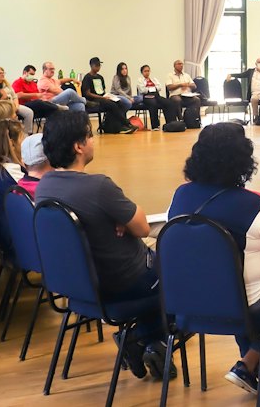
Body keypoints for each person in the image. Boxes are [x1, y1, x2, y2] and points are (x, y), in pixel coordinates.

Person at [168, 122, 260, 395]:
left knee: (237, 287)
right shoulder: (253, 205)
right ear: (244, 159)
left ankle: (257, 367)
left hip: (185, 306)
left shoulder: (181, 195)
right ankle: (250, 362)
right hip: (239, 309)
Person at [35, 110, 171, 380]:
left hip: (82, 285)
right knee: (184, 276)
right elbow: (142, 228)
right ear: (78, 146)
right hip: (125, 281)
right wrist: (121, 219)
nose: (93, 140)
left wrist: (113, 220)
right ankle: (140, 337)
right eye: (90, 135)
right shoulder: (98, 187)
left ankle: (152, 343)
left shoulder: (44, 187)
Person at [81, 56, 133, 132]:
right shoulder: (87, 77)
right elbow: (87, 93)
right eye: (97, 65)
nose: (98, 67)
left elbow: (102, 90)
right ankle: (126, 123)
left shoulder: (100, 77)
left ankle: (118, 126)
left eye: (99, 65)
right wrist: (102, 98)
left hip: (103, 97)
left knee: (119, 102)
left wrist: (107, 96)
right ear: (92, 66)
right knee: (112, 105)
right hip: (94, 99)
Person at [0, 65, 34, 133]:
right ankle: (12, 134)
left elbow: (15, 96)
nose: (3, 74)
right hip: (3, 106)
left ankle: (27, 133)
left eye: (3, 73)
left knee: (29, 112)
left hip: (13, 104)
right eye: (0, 73)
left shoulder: (7, 84)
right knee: (12, 117)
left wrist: (16, 106)